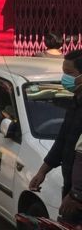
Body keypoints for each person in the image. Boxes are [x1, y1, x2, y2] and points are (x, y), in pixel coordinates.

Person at [30, 50, 82, 200]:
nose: (64, 78)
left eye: (69, 73)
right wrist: (42, 172)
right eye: (63, 72)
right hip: (70, 186)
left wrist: (76, 195)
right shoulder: (75, 102)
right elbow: (62, 140)